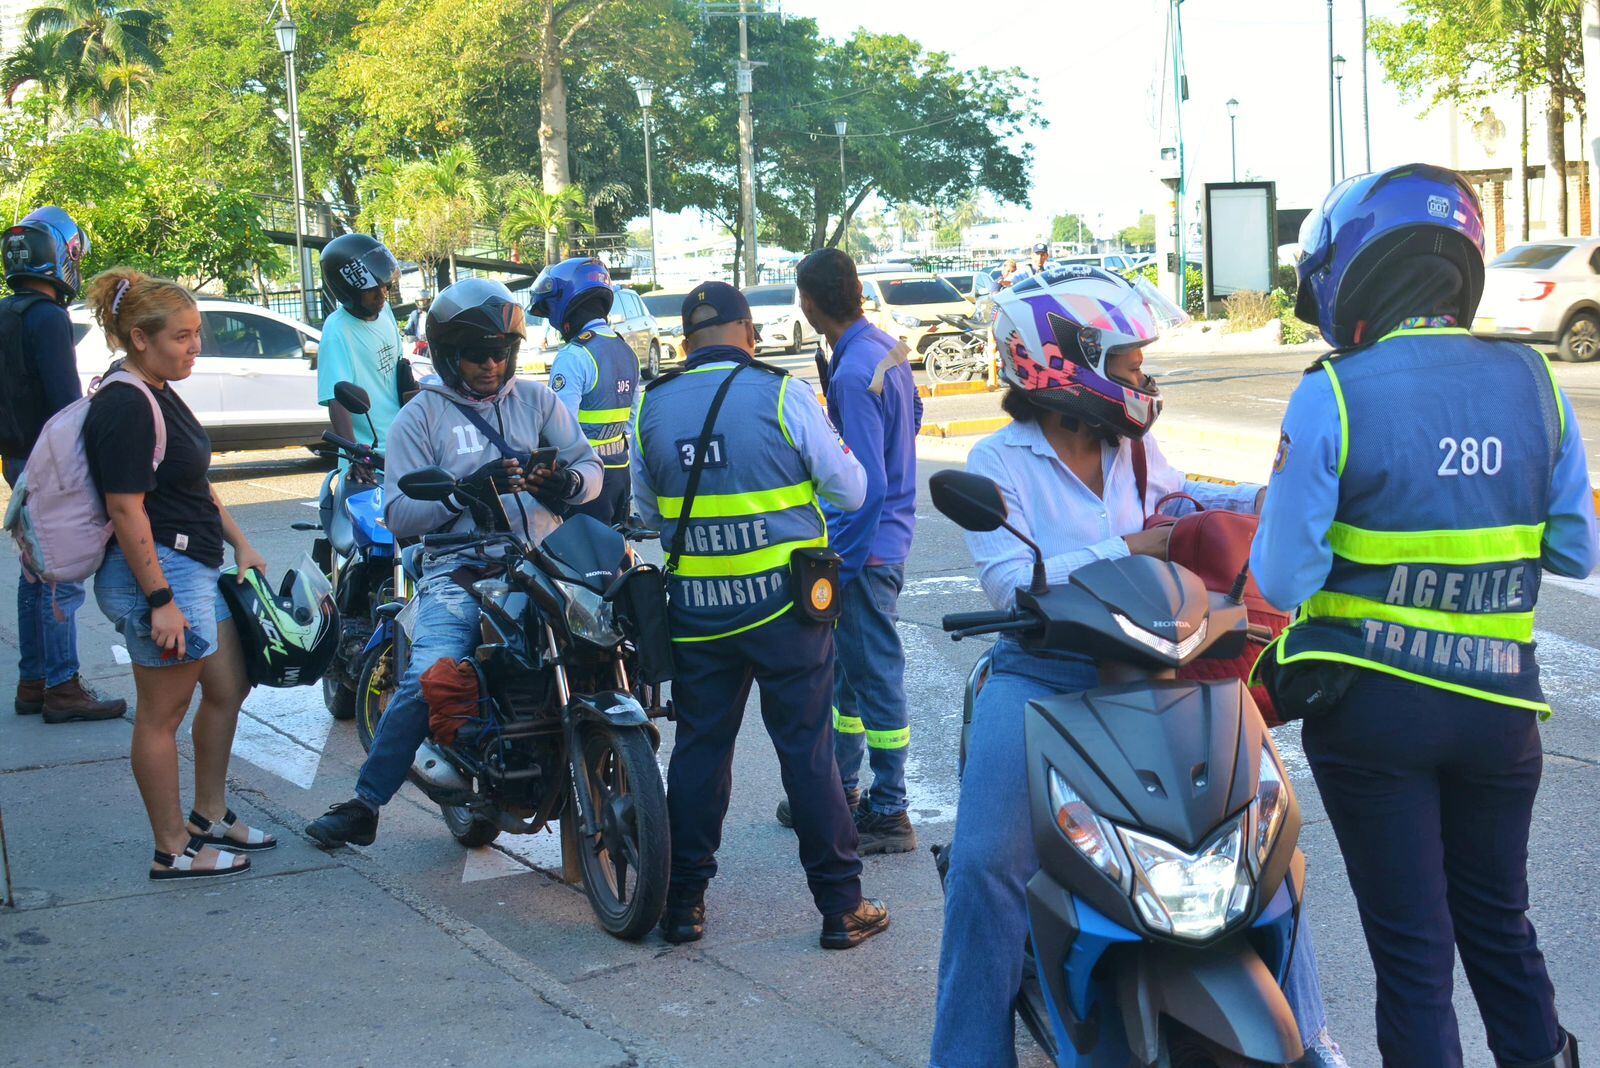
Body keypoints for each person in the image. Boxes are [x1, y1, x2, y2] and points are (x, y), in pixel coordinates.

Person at [930, 266, 1344, 1067]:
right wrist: (1129, 547)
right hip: (1041, 677)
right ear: (1061, 360)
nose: (1140, 375)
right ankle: (967, 1054)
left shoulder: (1141, 452)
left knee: (1271, 844)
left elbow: (1185, 509)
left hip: (1159, 673)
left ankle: (1314, 1039)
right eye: (1126, 360)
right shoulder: (999, 461)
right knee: (986, 865)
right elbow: (1012, 581)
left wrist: (1269, 499)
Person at [1252, 163, 1597, 1068]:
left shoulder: (1335, 391)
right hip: (1500, 713)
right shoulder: (1533, 380)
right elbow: (1575, 551)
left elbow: (1283, 577)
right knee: (1499, 924)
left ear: (1353, 272)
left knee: (1413, 957)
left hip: (1375, 717)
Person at [632, 281, 890, 950]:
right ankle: (841, 908)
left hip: (696, 615)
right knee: (807, 753)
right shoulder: (782, 393)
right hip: (786, 613)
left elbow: (643, 512)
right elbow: (853, 489)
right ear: (749, 332)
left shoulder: (651, 407)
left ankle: (683, 904)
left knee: (698, 754)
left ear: (686, 342)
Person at [304, 277, 602, 849]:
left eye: (501, 352)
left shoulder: (538, 400)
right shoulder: (422, 418)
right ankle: (366, 805)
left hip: (543, 558)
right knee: (427, 676)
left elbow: (589, 470)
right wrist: (462, 493)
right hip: (458, 570)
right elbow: (397, 512)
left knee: (618, 633)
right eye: (476, 354)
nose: (491, 365)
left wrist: (565, 480)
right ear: (447, 354)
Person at [82, 269, 274, 879]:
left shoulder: (159, 388)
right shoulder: (125, 403)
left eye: (197, 334)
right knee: (160, 715)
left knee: (228, 686)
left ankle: (208, 814)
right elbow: (125, 507)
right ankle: (171, 849)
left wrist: (240, 541)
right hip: (161, 573)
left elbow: (192, 482)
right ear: (139, 337)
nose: (196, 347)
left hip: (192, 566)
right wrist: (160, 599)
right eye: (183, 337)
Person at [772, 248, 921, 855]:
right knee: (847, 683)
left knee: (872, 676)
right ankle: (844, 789)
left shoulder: (857, 370)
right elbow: (907, 426)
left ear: (808, 304)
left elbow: (866, 483)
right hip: (885, 540)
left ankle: (888, 809)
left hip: (866, 550)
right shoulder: (878, 350)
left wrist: (843, 565)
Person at [1, 206, 125, 723]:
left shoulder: (5, 312)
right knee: (60, 576)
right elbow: (65, 403)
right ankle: (62, 686)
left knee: (35, 572)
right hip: (50, 459)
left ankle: (34, 681)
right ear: (62, 255)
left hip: (16, 458)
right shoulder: (48, 319)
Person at [533, 257, 639, 526]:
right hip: (619, 472)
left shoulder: (574, 355)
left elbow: (558, 426)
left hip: (583, 479)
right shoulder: (626, 351)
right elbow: (632, 419)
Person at [316, 234, 406, 472]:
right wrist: (355, 455)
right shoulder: (337, 331)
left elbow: (400, 373)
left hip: (402, 450)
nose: (382, 295)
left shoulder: (385, 312)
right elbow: (337, 399)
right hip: (368, 461)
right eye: (372, 291)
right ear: (348, 291)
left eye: (384, 287)